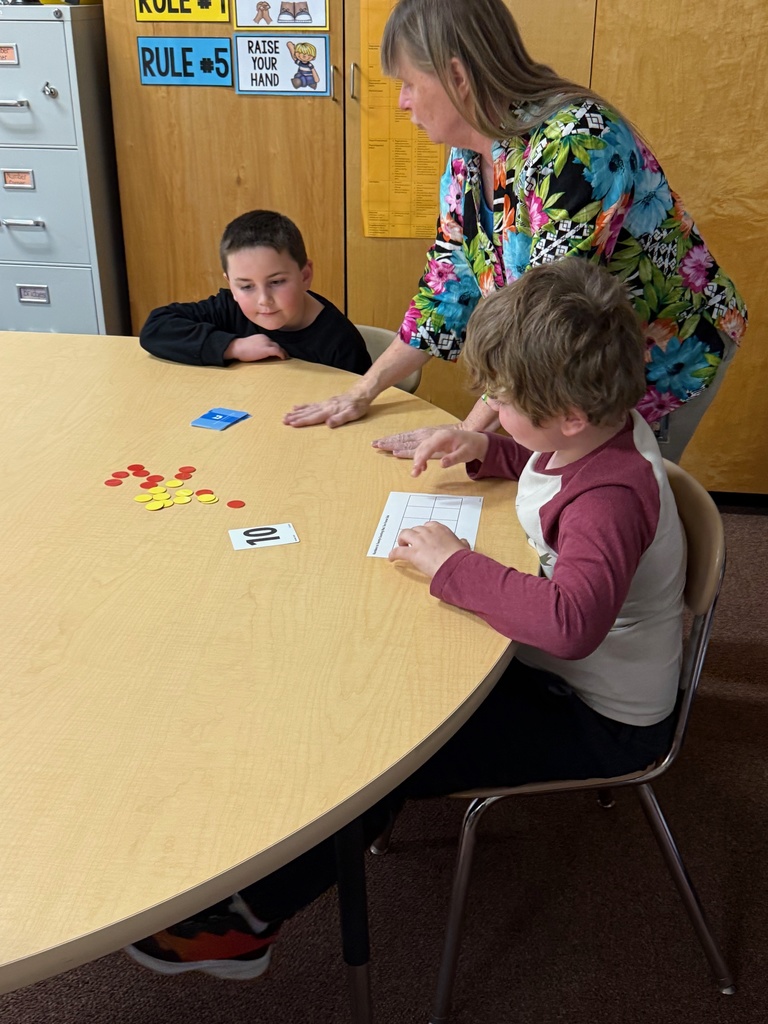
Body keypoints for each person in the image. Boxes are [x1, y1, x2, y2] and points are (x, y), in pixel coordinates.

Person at [127, 257, 686, 980]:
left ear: (570, 413)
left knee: (385, 745)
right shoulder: (597, 431)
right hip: (557, 668)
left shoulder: (608, 499)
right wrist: (490, 447)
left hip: (599, 717)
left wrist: (452, 564)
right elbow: (552, 458)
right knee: (384, 691)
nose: (487, 400)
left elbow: (572, 622)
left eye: (502, 397)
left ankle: (248, 923)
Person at [283, 0, 747, 464]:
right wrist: (361, 392)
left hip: (661, 350)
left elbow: (547, 321)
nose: (402, 100)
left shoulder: (576, 143)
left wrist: (468, 433)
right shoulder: (468, 154)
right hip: (562, 362)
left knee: (621, 495)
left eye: (408, 83)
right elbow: (445, 289)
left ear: (457, 77)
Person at [139, 209, 371, 375]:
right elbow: (156, 327)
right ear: (231, 285)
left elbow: (354, 406)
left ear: (305, 276)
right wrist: (233, 347)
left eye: (277, 282)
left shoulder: (341, 343)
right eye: (246, 286)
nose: (263, 300)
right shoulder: (229, 308)